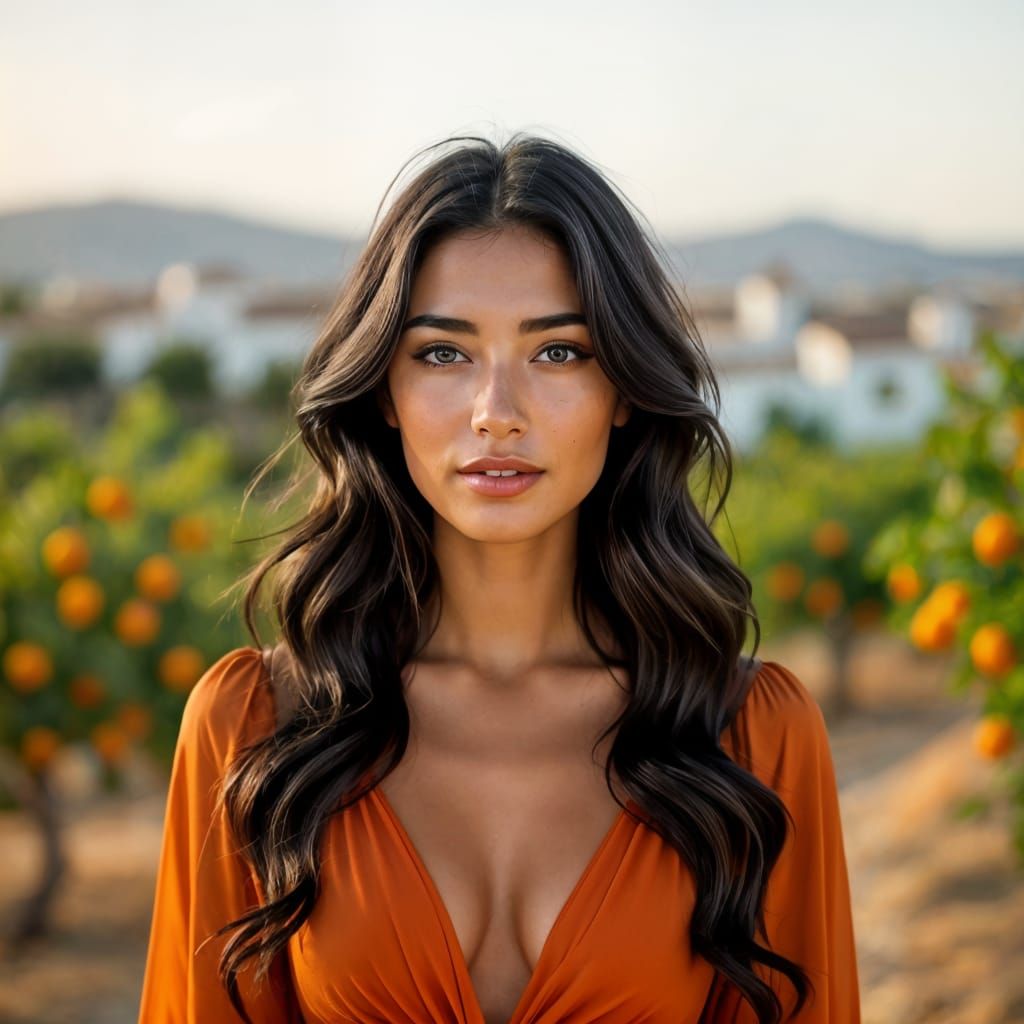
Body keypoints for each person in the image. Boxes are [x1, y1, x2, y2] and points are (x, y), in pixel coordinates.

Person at [138, 132, 861, 1024]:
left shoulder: (755, 739)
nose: (497, 414)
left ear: (625, 388)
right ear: (384, 392)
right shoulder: (252, 729)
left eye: (558, 352)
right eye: (444, 354)